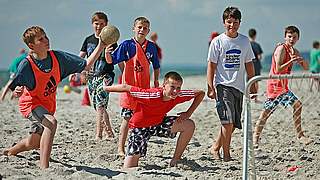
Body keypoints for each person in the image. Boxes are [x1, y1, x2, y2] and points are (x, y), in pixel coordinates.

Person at [2, 26, 107, 168]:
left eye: (45, 36)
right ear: (31, 46)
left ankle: (11, 151)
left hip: (48, 106)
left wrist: (101, 45)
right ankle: (44, 168)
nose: (46, 40)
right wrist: (17, 92)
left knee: (33, 143)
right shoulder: (26, 65)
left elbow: (86, 65)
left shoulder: (58, 58)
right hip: (30, 104)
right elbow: (14, 88)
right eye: (41, 39)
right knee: (51, 123)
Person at [104, 71, 204, 168]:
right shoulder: (151, 95)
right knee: (129, 166)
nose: (175, 91)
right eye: (172, 87)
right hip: (140, 128)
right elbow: (126, 87)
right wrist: (105, 88)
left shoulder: (178, 95)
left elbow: (200, 93)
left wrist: (188, 113)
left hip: (158, 124)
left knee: (189, 124)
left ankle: (176, 159)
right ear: (164, 85)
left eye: (178, 88)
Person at [105, 16, 161, 158]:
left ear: (148, 31)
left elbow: (156, 66)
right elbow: (111, 60)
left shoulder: (151, 47)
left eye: (145, 28)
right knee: (126, 119)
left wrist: (155, 82)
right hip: (128, 89)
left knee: (142, 120)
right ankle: (120, 148)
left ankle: (139, 147)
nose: (142, 30)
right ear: (134, 28)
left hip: (143, 89)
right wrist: (106, 53)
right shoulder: (126, 45)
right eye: (139, 27)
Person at [206, 7, 256, 161]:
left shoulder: (244, 41)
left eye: (235, 22)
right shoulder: (218, 41)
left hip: (239, 86)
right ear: (224, 22)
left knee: (232, 124)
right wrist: (210, 87)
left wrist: (253, 83)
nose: (232, 25)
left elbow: (249, 64)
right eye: (229, 22)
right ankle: (226, 155)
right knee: (226, 122)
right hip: (222, 85)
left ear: (239, 23)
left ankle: (215, 147)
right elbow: (211, 65)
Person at [253, 25, 312, 148]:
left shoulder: (294, 51)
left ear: (298, 39)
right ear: (285, 37)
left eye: (294, 37)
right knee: (266, 113)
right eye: (289, 36)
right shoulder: (281, 48)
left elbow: (306, 68)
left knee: (297, 105)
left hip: (283, 87)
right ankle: (255, 138)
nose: (291, 39)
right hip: (275, 86)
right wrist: (291, 61)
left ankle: (300, 135)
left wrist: (300, 60)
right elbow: (278, 68)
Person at [79, 11, 117, 140]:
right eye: (96, 23)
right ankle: (110, 132)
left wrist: (124, 74)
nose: (99, 26)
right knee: (99, 106)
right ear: (92, 24)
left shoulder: (111, 41)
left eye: (102, 24)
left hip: (106, 76)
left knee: (100, 104)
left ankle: (98, 134)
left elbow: (119, 60)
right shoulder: (88, 40)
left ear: (106, 25)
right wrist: (75, 71)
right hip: (91, 77)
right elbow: (81, 57)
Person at [248, 28, 263, 102]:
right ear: (255, 35)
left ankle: (249, 96)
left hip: (248, 65)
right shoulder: (257, 45)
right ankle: (256, 98)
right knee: (256, 81)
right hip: (256, 65)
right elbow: (259, 56)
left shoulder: (247, 44)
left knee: (249, 81)